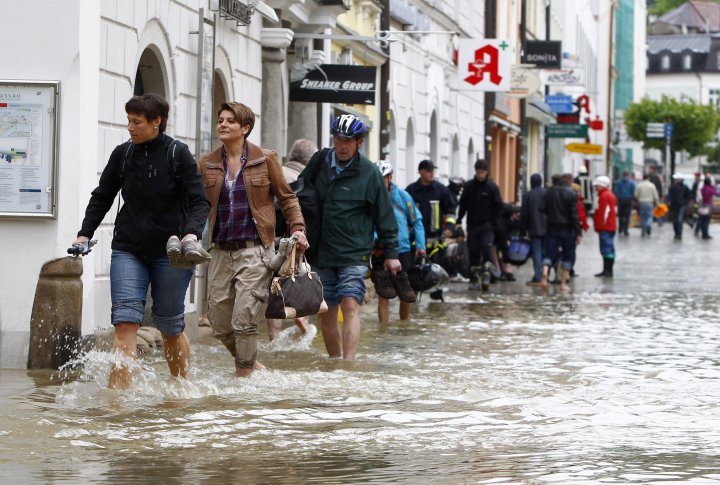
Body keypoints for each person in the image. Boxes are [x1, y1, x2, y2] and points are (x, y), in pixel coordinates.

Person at [73, 94, 210, 389]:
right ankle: (118, 404)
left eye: (136, 122)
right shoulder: (123, 154)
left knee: (170, 327)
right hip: (128, 249)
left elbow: (200, 202)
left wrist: (191, 233)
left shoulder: (178, 154)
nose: (130, 128)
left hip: (171, 253)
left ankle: (180, 392)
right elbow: (102, 196)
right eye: (128, 121)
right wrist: (85, 233)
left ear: (156, 122)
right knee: (124, 323)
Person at [199, 102, 307, 377]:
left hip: (255, 250)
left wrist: (298, 228)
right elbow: (196, 204)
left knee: (244, 320)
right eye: (220, 119)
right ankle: (253, 368)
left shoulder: (265, 159)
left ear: (245, 128)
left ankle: (243, 383)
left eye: (230, 121)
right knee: (220, 323)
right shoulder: (207, 163)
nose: (222, 124)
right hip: (220, 251)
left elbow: (287, 198)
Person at [299, 114, 401, 360]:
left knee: (350, 304)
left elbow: (385, 216)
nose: (342, 145)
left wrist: (392, 254)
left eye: (348, 141)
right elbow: (299, 193)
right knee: (326, 311)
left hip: (354, 253)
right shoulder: (319, 162)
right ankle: (335, 363)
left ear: (359, 142)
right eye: (338, 139)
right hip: (320, 251)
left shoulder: (370, 174)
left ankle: (349, 363)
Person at [267, 138, 318, 341]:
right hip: (290, 241)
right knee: (293, 284)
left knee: (274, 287)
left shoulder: (276, 171)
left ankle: (274, 337)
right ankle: (304, 330)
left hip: (267, 240)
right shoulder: (301, 180)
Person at [374, 160, 424, 322]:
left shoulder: (402, 196)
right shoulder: (371, 197)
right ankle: (384, 329)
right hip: (380, 249)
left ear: (390, 177)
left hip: (402, 249)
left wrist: (421, 245)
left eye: (383, 178)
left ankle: (404, 323)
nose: (380, 182)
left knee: (405, 292)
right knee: (383, 293)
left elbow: (416, 220)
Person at [406, 159, 455, 298]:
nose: (431, 173)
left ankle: (436, 307)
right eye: (428, 170)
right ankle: (411, 302)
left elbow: (451, 210)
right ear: (420, 172)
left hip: (435, 242)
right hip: (414, 241)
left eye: (433, 170)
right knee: (413, 275)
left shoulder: (441, 190)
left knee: (436, 276)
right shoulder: (411, 191)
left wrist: (450, 227)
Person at [457, 159, 503, 291]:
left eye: (482, 172)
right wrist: (459, 220)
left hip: (487, 225)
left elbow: (499, 206)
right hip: (472, 224)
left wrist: (495, 223)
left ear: (486, 172)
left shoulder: (492, 187)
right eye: (478, 172)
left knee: (486, 248)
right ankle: (474, 279)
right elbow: (463, 204)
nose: (480, 175)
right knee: (473, 251)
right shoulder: (469, 186)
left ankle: (487, 274)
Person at [540, 174, 582, 293]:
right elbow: (574, 215)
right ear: (569, 181)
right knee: (567, 256)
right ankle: (563, 284)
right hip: (567, 229)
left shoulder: (549, 192)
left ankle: (545, 272)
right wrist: (578, 232)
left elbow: (541, 208)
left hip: (551, 227)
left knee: (549, 253)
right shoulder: (572, 193)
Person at [520, 173, 547, 285]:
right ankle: (546, 274)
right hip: (547, 228)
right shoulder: (546, 193)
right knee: (545, 252)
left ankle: (537, 276)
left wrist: (522, 230)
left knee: (537, 253)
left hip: (534, 228)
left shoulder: (528, 195)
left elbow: (524, 214)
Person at [592, 176, 617, 278]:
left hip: (605, 227)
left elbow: (603, 213)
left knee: (606, 249)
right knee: (609, 248)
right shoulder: (609, 195)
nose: (596, 188)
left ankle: (607, 271)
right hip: (610, 226)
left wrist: (599, 226)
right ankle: (608, 270)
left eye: (597, 186)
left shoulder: (604, 196)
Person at [667, 173, 691, 240]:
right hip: (674, 206)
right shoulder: (672, 187)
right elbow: (669, 195)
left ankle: (679, 234)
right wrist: (669, 202)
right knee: (675, 221)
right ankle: (676, 233)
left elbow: (688, 196)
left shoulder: (685, 187)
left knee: (679, 220)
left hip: (681, 205)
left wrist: (685, 202)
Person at [613, 171, 635, 236]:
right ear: (628, 175)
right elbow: (633, 191)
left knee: (621, 215)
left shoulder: (619, 182)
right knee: (627, 215)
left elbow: (616, 191)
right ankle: (626, 230)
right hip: (628, 200)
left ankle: (620, 230)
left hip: (621, 200)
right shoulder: (631, 183)